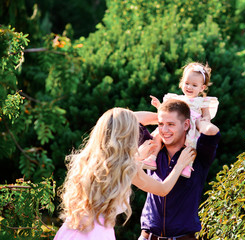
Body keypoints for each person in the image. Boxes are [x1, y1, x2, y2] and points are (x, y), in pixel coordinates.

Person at [54, 107, 196, 240]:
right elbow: (163, 189)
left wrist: (161, 119)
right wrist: (180, 165)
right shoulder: (128, 168)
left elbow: (130, 119)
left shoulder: (88, 160)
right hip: (97, 234)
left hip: (70, 231)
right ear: (127, 135)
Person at [137, 99, 220, 240]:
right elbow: (131, 119)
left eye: (171, 124)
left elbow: (211, 130)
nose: (164, 130)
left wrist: (196, 120)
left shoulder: (197, 155)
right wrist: (162, 116)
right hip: (147, 237)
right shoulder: (151, 149)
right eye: (161, 125)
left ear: (186, 124)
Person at [142, 62, 219, 178]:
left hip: (191, 127)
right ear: (182, 82)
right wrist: (158, 106)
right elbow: (166, 112)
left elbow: (207, 116)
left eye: (194, 85)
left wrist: (204, 121)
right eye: (187, 83)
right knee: (158, 136)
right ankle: (152, 157)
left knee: (191, 145)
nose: (189, 87)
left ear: (202, 88)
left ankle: (187, 166)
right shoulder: (176, 99)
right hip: (175, 125)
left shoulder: (202, 102)